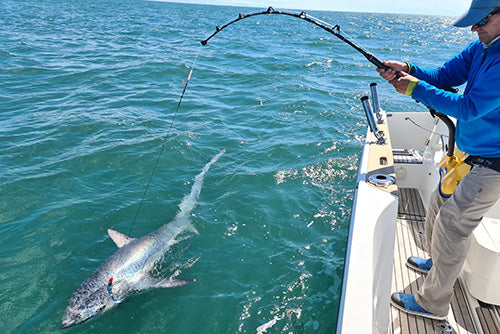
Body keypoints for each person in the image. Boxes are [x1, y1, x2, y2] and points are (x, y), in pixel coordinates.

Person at [377, 0, 500, 320]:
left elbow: (469, 108)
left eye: (482, 21)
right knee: (437, 202)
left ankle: (433, 303)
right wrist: (409, 70)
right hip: (468, 152)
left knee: (451, 224)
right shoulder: (481, 49)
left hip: (494, 163)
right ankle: (438, 262)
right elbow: (444, 76)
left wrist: (413, 88)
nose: (475, 28)